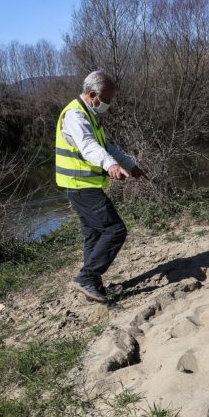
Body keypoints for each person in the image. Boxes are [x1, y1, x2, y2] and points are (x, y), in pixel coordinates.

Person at [55, 70, 145, 303]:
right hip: (79, 184)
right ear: (93, 94)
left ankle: (91, 287)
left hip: (85, 184)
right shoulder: (75, 116)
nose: (108, 104)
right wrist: (110, 166)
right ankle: (87, 278)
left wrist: (129, 165)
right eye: (106, 99)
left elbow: (107, 145)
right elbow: (88, 147)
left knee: (94, 235)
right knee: (115, 230)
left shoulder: (90, 115)